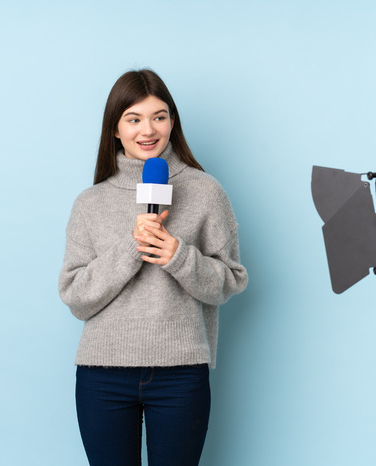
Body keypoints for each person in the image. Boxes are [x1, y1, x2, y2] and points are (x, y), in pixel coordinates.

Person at [58, 69, 248, 466]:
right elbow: (76, 297)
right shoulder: (90, 203)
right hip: (102, 375)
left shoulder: (206, 191)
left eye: (159, 116)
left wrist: (179, 256)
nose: (149, 129)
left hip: (181, 373)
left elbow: (230, 281)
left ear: (172, 122)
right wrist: (134, 245)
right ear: (115, 128)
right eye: (134, 118)